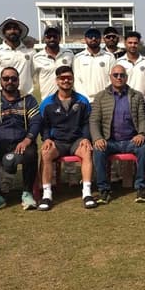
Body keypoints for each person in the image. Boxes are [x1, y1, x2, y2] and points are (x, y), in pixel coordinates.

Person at [0, 67, 41, 212]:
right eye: (6, 78)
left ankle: (27, 193)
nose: (10, 81)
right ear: (0, 81)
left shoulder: (28, 100)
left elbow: (36, 122)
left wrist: (27, 140)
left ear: (18, 81)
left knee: (31, 153)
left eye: (13, 78)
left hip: (21, 142)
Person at [90, 65, 145, 203]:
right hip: (110, 141)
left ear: (126, 77)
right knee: (98, 150)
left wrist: (141, 133)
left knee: (144, 148)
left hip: (131, 140)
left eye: (122, 75)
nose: (119, 78)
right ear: (110, 77)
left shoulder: (136, 95)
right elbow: (94, 120)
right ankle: (104, 190)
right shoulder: (100, 96)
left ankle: (141, 187)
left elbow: (142, 118)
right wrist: (97, 138)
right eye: (115, 75)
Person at [39, 66, 95, 210]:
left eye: (69, 78)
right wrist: (46, 138)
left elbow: (86, 122)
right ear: (57, 81)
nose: (66, 81)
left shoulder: (82, 100)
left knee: (87, 150)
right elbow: (44, 125)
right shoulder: (47, 103)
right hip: (57, 142)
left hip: (76, 140)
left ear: (73, 79)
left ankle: (87, 193)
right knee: (45, 153)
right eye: (62, 78)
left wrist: (86, 138)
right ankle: (47, 195)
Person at [0, 17, 35, 97]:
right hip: (4, 98)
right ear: (4, 32)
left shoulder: (30, 52)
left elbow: (33, 75)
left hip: (25, 97)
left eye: (15, 28)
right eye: (9, 28)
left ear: (20, 31)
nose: (12, 31)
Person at [72, 28, 115, 102]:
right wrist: (85, 98)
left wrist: (105, 96)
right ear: (85, 39)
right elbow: (76, 81)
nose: (93, 38)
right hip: (84, 100)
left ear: (100, 39)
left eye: (96, 36)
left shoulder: (109, 57)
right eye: (90, 36)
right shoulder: (78, 58)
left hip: (105, 99)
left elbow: (112, 78)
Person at [33, 26, 74, 101]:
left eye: (55, 36)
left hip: (67, 100)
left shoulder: (69, 54)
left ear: (59, 38)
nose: (52, 39)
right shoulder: (37, 57)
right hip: (47, 100)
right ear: (44, 38)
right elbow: (33, 79)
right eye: (49, 36)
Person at [115, 31, 145, 96]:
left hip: (142, 100)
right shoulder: (119, 62)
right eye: (130, 43)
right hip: (124, 99)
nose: (133, 45)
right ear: (125, 43)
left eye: (135, 43)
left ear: (139, 44)